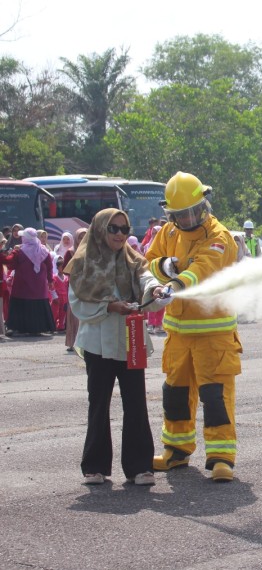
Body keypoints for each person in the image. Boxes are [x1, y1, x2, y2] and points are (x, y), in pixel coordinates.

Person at [145, 172, 242, 482]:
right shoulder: (169, 232)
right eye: (179, 214)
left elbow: (204, 267)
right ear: (170, 213)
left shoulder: (219, 235)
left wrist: (176, 281)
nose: (186, 219)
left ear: (204, 205)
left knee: (216, 396)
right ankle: (176, 451)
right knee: (175, 394)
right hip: (178, 334)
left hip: (214, 334)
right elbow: (148, 260)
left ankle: (220, 457)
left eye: (192, 212)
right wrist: (164, 267)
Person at [66, 208, 171, 487]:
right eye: (114, 228)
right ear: (100, 229)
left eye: (124, 229)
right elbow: (78, 304)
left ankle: (140, 467)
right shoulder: (82, 262)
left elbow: (147, 280)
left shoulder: (134, 259)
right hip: (96, 343)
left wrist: (157, 290)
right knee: (98, 404)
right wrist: (110, 306)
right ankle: (95, 467)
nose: (120, 234)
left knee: (135, 402)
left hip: (130, 340)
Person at [0, 227, 55, 336]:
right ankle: (39, 328)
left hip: (22, 287)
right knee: (38, 306)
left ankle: (18, 328)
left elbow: (9, 262)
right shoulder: (44, 250)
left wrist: (1, 253)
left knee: (21, 305)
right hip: (39, 288)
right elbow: (50, 267)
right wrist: (50, 280)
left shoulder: (19, 251)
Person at [63, 228, 89, 352]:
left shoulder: (92, 251)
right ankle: (72, 343)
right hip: (75, 286)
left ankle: (85, 344)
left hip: (89, 286)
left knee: (86, 314)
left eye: (85, 236)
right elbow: (65, 269)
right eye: (80, 237)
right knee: (74, 314)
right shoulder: (71, 252)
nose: (83, 239)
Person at [51, 256, 69, 331]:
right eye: (61, 267)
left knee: (63, 312)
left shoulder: (66, 278)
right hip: (57, 298)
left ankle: (61, 326)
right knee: (54, 312)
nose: (63, 268)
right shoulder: (54, 277)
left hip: (64, 298)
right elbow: (51, 288)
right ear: (57, 267)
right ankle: (52, 325)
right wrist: (55, 297)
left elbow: (67, 288)